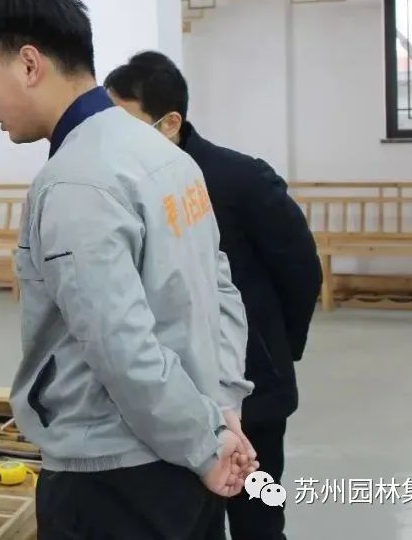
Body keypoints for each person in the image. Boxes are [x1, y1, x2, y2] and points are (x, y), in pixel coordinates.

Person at [0, 0, 256, 540]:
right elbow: (220, 295)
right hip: (187, 453)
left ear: (28, 64)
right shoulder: (165, 155)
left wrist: (206, 443)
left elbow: (122, 348)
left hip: (113, 477)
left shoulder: (75, 181)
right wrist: (220, 412)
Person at [105, 50, 322, 540]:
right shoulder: (125, 187)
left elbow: (300, 271)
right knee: (188, 520)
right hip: (175, 396)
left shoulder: (240, 178)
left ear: (170, 123)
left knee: (258, 519)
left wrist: (274, 350)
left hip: (252, 386)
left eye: (125, 122)